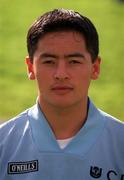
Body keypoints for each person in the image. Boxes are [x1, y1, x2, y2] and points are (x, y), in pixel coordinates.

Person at [0, 8, 124, 180]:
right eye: (49, 61)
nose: (61, 74)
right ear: (30, 68)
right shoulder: (4, 144)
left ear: (95, 68)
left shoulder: (120, 143)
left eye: (74, 61)